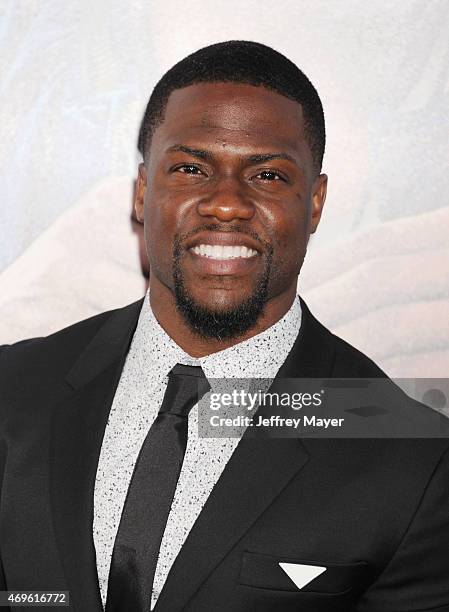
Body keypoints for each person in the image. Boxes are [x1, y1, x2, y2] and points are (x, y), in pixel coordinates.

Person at [0, 40, 448, 612]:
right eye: (191, 168)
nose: (227, 204)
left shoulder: (414, 458)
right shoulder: (14, 389)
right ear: (143, 191)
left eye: (266, 175)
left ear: (315, 203)